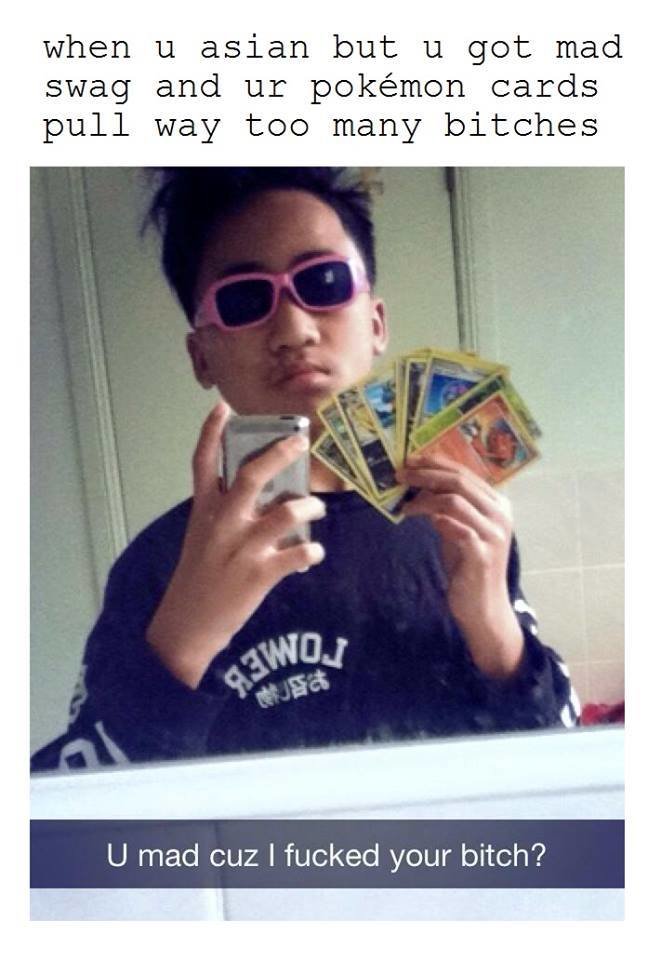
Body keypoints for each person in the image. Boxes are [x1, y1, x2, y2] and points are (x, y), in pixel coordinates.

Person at [31, 167, 578, 773]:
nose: (293, 329)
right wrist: (183, 641)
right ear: (201, 355)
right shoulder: (158, 568)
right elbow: (68, 808)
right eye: (244, 299)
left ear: (376, 324)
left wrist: (494, 628)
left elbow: (563, 760)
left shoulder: (458, 523)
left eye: (324, 281)